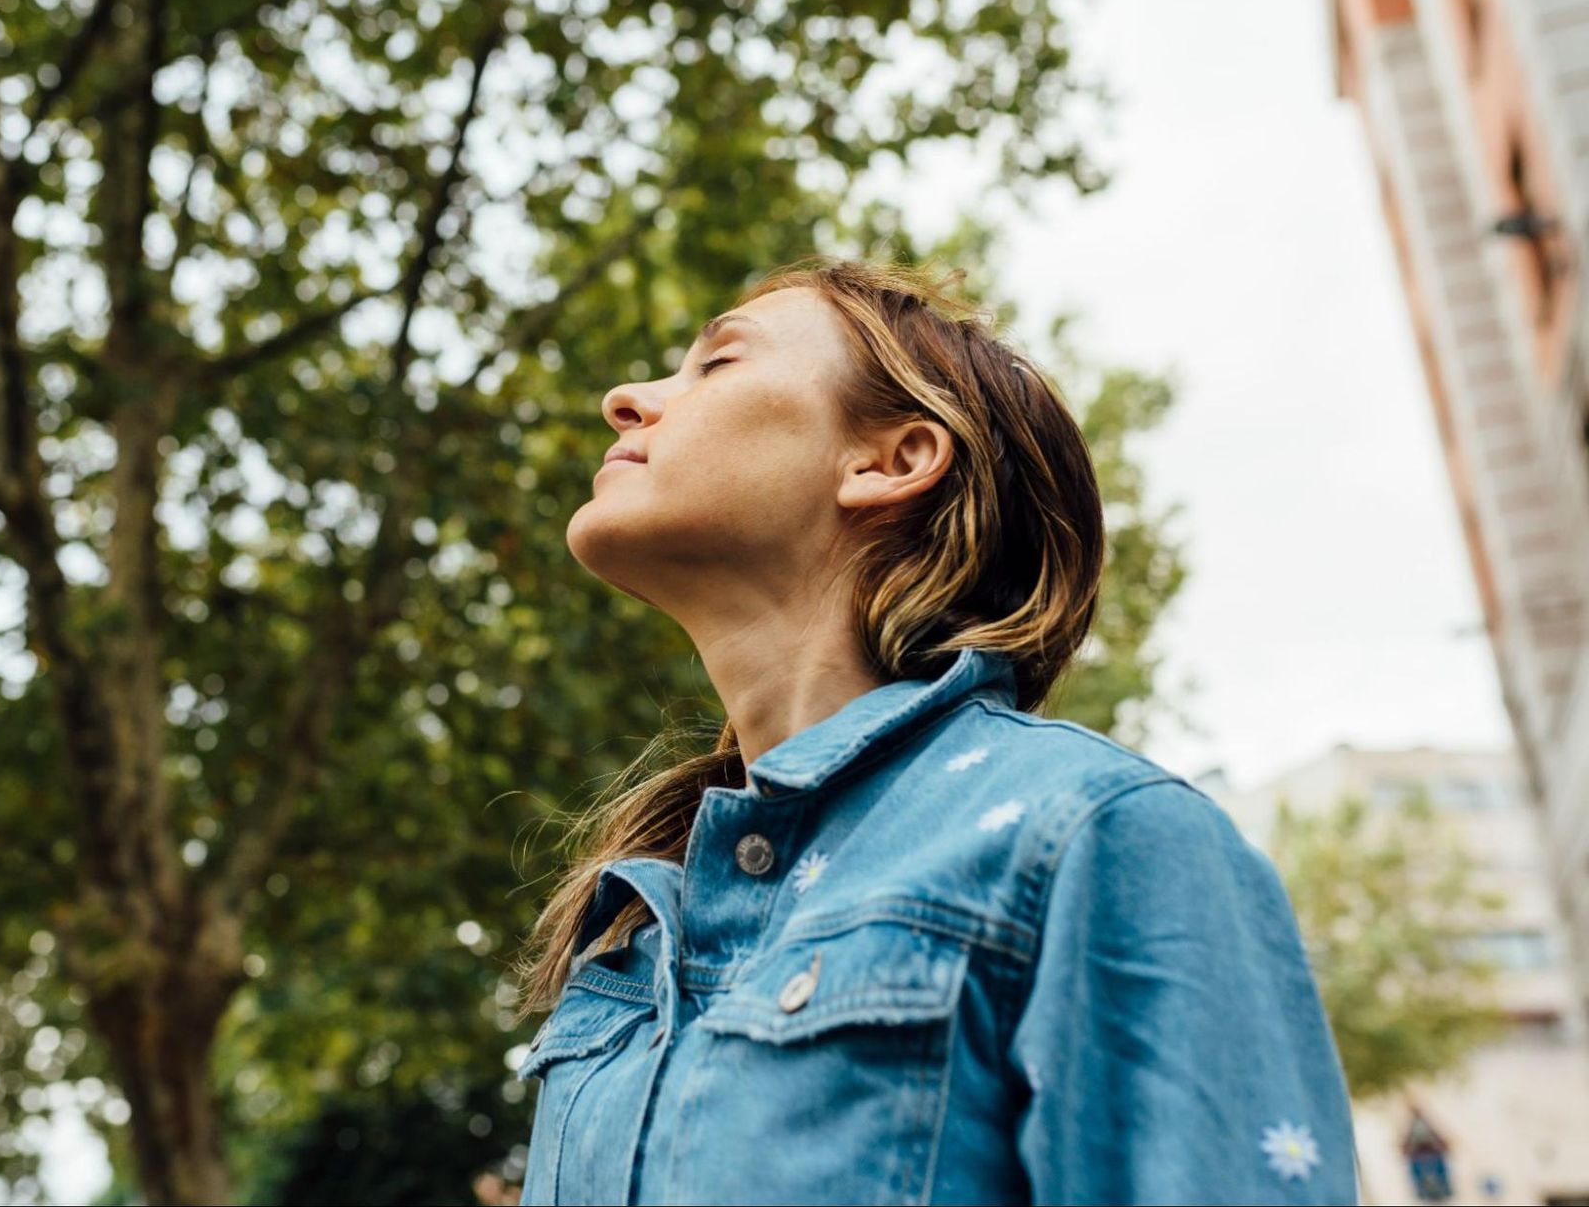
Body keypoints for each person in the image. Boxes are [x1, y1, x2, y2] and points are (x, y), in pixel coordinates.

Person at [509, 257, 1356, 1206]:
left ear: (889, 460)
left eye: (717, 363)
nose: (626, 399)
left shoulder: (1094, 835)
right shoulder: (630, 935)